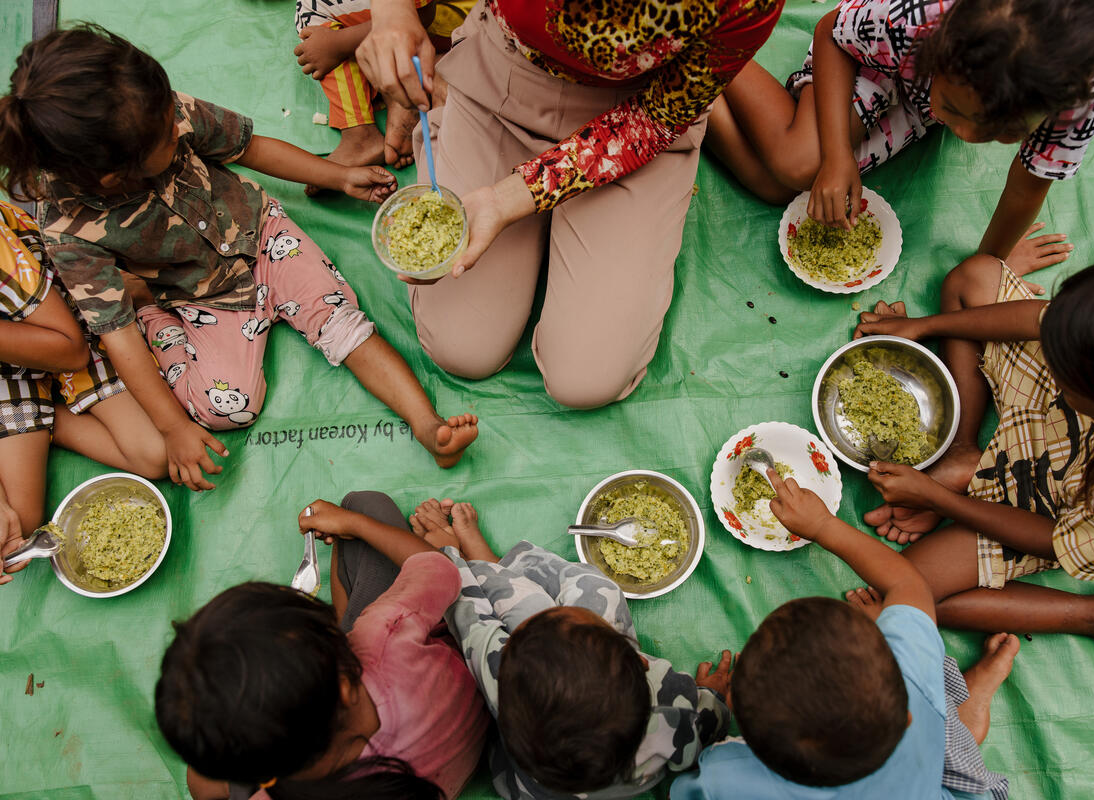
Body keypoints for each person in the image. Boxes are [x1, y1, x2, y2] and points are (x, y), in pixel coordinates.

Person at [0, 25, 479, 492]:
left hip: (262, 233)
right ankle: (149, 306)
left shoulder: (156, 110)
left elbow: (249, 147)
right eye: (168, 139)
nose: (177, 124)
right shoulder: (68, 229)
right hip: (197, 295)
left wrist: (336, 175)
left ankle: (425, 422)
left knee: (340, 322)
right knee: (229, 409)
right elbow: (118, 339)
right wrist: (172, 430)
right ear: (111, 178)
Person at [351, 0, 784, 408]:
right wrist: (393, 13)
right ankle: (448, 109)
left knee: (585, 379)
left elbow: (657, 118)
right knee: (463, 349)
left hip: (634, 119)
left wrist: (508, 199)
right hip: (505, 78)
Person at [853, 241, 1094, 701]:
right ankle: (964, 453)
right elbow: (1041, 321)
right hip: (1059, 416)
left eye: (1067, 367)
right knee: (971, 278)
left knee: (902, 592)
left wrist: (938, 499)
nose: (1053, 354)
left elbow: (1051, 537)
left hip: (1065, 503)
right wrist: (924, 326)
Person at [672, 471, 1014, 800]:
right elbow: (907, 585)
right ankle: (962, 727)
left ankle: (959, 729)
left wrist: (709, 706)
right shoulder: (908, 678)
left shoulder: (727, 777)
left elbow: (682, 782)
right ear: (904, 716)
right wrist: (824, 526)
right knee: (936, 712)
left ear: (739, 717)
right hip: (925, 777)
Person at [707, 0, 1094, 264]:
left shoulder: (1080, 88)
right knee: (801, 166)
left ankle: (694, 92)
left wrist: (992, 264)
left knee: (776, 186)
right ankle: (706, 42)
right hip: (862, 57)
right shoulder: (918, 18)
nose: (967, 135)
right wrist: (837, 158)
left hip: (919, 104)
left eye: (1002, 133)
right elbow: (832, 33)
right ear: (936, 50)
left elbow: (1028, 186)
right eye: (957, 111)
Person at [155, 491, 489, 800]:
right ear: (342, 685)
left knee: (199, 784)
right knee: (363, 504)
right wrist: (353, 523)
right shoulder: (381, 635)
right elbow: (438, 568)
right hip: (465, 725)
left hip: (425, 779)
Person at [400, 498, 734, 799]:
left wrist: (448, 555)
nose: (561, 608)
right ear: (639, 661)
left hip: (531, 784)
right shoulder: (667, 725)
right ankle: (496, 565)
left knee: (521, 604)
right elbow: (701, 730)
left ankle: (489, 567)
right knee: (600, 591)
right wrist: (713, 699)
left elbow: (468, 615)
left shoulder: (503, 678)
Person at [0, 198, 166, 585]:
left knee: (156, 454)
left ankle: (42, 412)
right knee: (16, 527)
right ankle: (44, 414)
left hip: (56, 323)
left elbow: (70, 351)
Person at [293, 0, 473, 178]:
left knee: (310, 12)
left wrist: (338, 43)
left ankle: (359, 130)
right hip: (452, 29)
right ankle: (403, 85)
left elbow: (422, 14)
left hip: (446, 27)